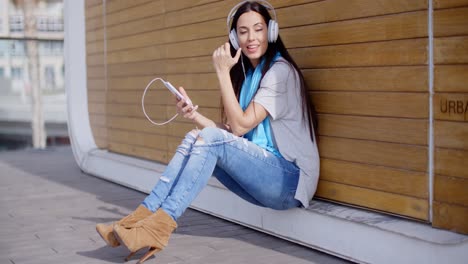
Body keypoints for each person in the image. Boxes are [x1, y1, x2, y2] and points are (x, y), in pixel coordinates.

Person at [95, 1, 320, 263]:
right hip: (269, 174)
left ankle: (157, 227)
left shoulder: (280, 73)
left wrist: (222, 72)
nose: (251, 38)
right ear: (235, 37)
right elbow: (233, 138)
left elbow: (238, 127)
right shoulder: (250, 76)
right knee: (195, 137)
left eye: (258, 29)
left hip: (290, 182)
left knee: (209, 140)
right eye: (243, 31)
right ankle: (138, 220)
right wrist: (193, 115)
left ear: (271, 31)